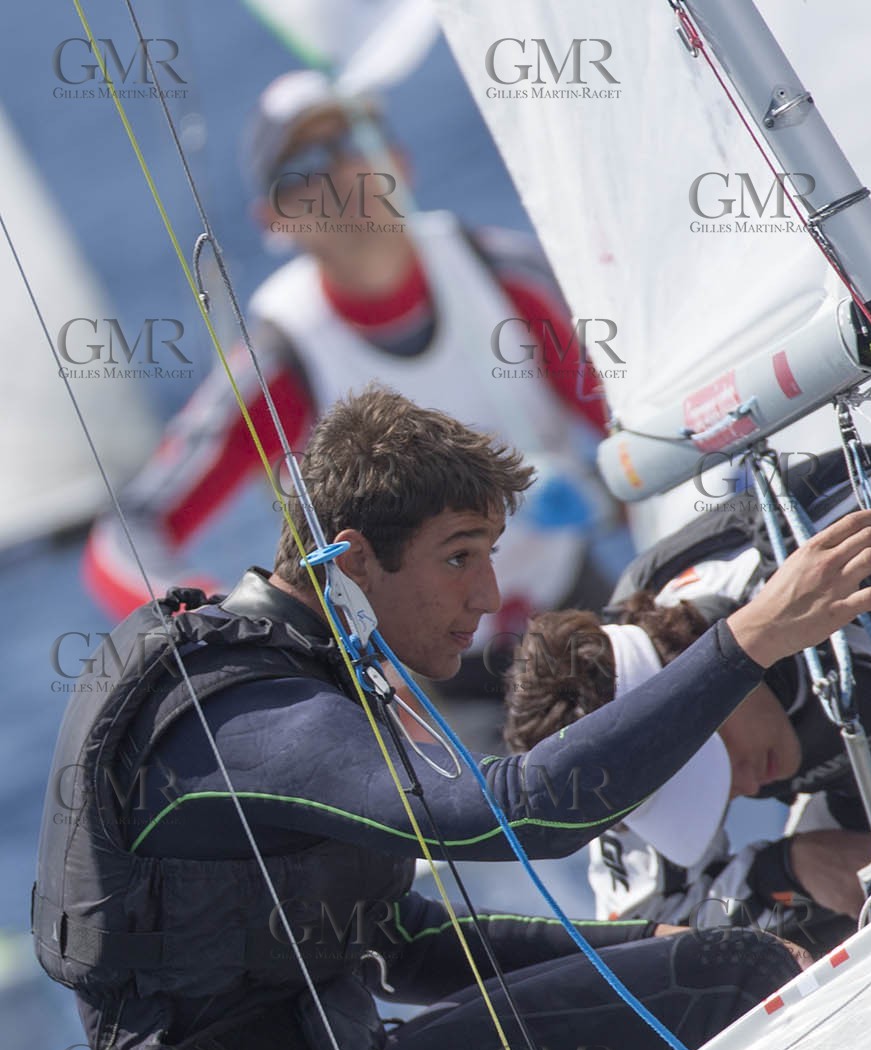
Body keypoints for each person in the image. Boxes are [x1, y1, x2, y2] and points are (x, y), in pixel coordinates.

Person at [34, 386, 871, 1050]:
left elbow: (402, 945)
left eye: (490, 554)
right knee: (741, 975)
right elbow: (525, 814)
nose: (490, 594)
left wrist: (640, 942)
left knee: (709, 955)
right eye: (458, 557)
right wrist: (752, 637)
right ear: (349, 563)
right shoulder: (248, 719)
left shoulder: (292, 679)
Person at [83, 70, 616, 684]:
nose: (341, 172)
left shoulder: (503, 274)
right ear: (274, 219)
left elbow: (630, 418)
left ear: (400, 159)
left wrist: (620, 491)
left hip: (572, 607)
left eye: (354, 140)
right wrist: (229, 621)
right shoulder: (281, 360)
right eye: (305, 164)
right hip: (421, 685)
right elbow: (121, 542)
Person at [503, 425, 871, 944]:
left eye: (710, 768)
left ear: (704, 676)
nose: (742, 788)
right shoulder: (614, 766)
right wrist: (790, 870)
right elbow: (644, 933)